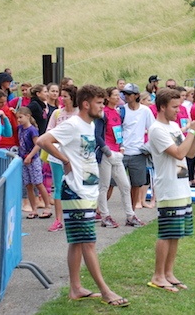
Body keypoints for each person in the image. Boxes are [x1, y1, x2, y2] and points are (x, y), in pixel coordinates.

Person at [37, 85, 130, 306]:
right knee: (88, 242)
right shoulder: (72, 125)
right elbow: (43, 141)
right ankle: (106, 292)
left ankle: (76, 288)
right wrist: (65, 160)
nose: (103, 106)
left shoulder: (90, 125)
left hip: (87, 191)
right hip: (76, 191)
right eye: (99, 103)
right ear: (86, 104)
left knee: (78, 243)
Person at [148, 87, 195, 292]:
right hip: (168, 188)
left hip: (181, 187)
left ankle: (169, 273)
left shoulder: (173, 126)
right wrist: (190, 131)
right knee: (166, 232)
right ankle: (158, 275)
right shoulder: (157, 129)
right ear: (162, 107)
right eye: (174, 107)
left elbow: (190, 154)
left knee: (176, 233)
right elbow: (179, 153)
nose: (178, 111)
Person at [96, 87, 145, 229]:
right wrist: (107, 151)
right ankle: (104, 216)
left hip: (117, 153)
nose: (119, 98)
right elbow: (98, 135)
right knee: (104, 186)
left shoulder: (118, 112)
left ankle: (130, 215)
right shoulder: (103, 114)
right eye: (115, 95)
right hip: (107, 153)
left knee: (125, 185)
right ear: (108, 97)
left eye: (119, 95)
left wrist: (121, 145)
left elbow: (119, 131)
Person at [45, 85, 79, 232]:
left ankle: (76, 216)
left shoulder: (80, 113)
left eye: (65, 96)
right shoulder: (57, 113)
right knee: (58, 186)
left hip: (74, 155)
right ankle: (58, 220)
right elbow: (49, 131)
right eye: (61, 96)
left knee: (75, 185)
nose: (62, 98)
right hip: (57, 155)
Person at [121, 83, 156, 208]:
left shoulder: (145, 111)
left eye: (129, 94)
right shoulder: (122, 110)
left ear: (136, 95)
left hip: (138, 152)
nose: (126, 96)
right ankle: (101, 212)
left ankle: (132, 212)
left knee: (136, 184)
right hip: (122, 152)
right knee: (111, 183)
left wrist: (148, 146)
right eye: (124, 94)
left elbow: (152, 128)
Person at [16, 107, 52, 219]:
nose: (19, 120)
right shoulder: (20, 128)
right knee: (28, 185)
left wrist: (30, 156)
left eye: (20, 117)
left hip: (33, 159)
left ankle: (47, 206)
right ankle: (34, 208)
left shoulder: (32, 130)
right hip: (24, 159)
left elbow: (38, 144)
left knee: (38, 183)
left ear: (27, 116)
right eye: (18, 118)